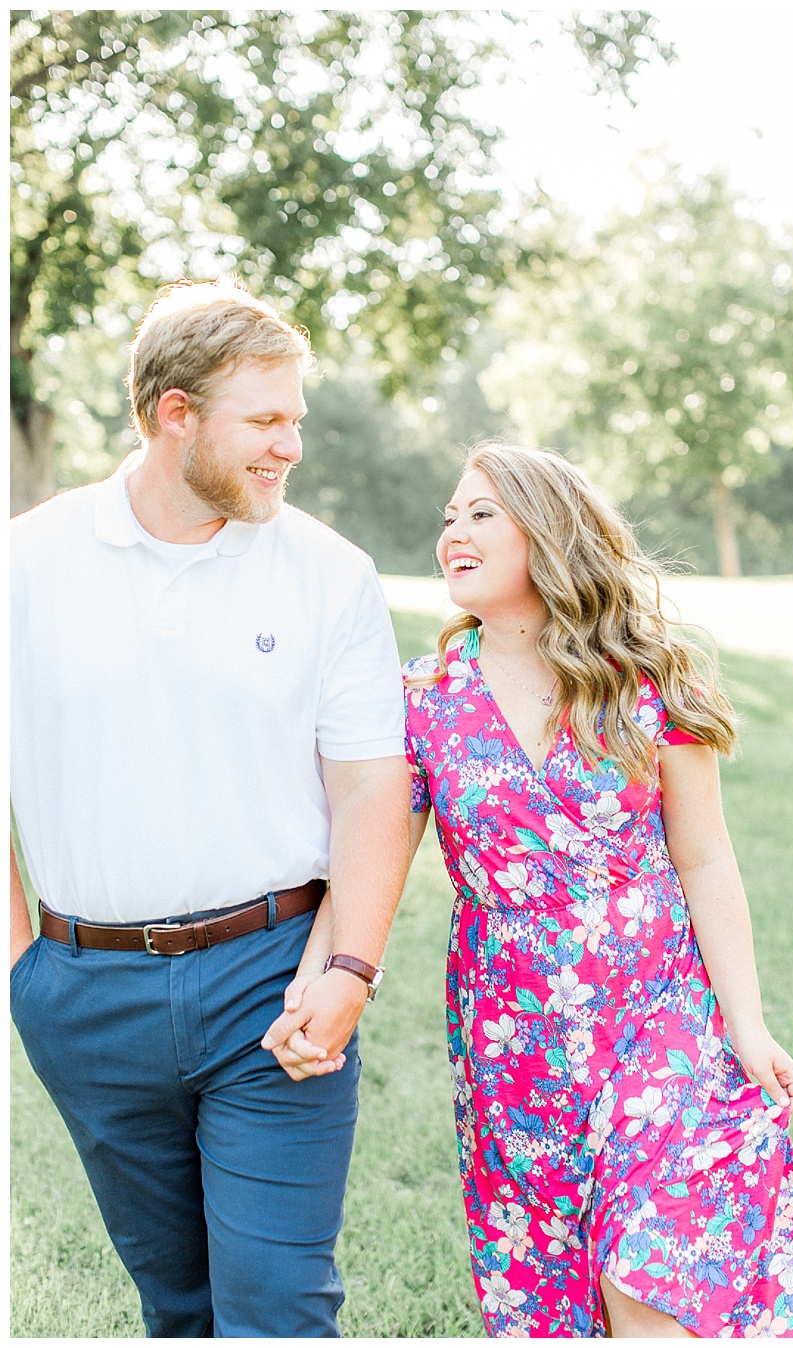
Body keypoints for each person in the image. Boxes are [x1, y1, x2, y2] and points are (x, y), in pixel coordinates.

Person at [398, 443, 793, 1337]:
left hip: (659, 1014)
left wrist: (748, 1022)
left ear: (546, 530)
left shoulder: (651, 679)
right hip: (514, 1040)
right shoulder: (425, 699)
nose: (451, 533)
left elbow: (703, 857)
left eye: (480, 513)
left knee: (652, 1274)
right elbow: (374, 862)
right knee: (556, 1288)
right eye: (449, 515)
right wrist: (335, 971)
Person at [9, 278, 413, 1335]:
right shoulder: (27, 564)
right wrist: (24, 965)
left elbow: (374, 782)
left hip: (274, 981)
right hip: (84, 989)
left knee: (277, 1304)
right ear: (173, 413)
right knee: (178, 1305)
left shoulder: (330, 571)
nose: (290, 447)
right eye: (266, 421)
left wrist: (349, 966)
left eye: (297, 422)